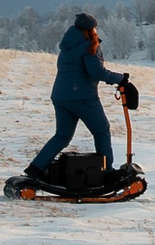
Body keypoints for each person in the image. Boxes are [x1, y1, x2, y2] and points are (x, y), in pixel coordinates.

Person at [30, 11, 133, 183]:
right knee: (101, 131)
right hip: (83, 97)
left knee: (62, 136)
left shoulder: (67, 46)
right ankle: (106, 172)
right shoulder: (89, 46)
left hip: (61, 96)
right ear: (91, 29)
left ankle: (36, 168)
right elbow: (96, 72)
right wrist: (121, 78)